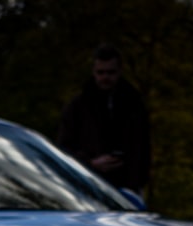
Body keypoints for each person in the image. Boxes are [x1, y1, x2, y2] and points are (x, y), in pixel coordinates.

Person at [58, 44, 149, 193]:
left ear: (120, 71)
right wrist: (90, 164)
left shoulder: (134, 105)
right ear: (93, 72)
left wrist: (138, 179)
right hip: (90, 186)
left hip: (128, 188)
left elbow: (143, 146)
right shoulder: (77, 107)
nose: (105, 77)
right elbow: (64, 149)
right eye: (101, 73)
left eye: (110, 72)